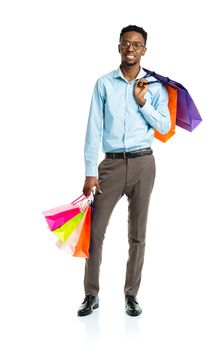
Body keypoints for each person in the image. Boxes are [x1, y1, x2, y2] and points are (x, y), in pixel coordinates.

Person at [78, 25, 171, 317]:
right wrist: (90, 171)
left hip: (144, 163)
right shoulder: (104, 84)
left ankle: (131, 295)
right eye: (126, 43)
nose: (131, 48)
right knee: (95, 232)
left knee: (138, 234)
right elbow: (94, 129)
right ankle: (91, 294)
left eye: (137, 44)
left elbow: (165, 127)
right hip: (111, 165)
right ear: (119, 47)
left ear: (144, 50)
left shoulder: (155, 86)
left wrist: (142, 103)